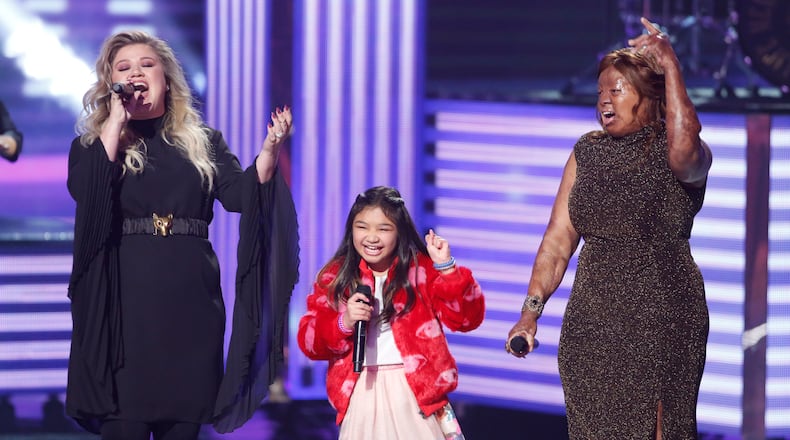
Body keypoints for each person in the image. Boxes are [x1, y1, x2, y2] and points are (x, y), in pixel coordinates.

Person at [65, 30, 299, 439]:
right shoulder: (92, 146)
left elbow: (243, 197)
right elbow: (87, 194)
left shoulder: (203, 142)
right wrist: (115, 124)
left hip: (191, 302)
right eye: (124, 68)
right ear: (111, 83)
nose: (136, 72)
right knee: (125, 422)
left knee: (183, 425)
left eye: (146, 64)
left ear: (166, 78)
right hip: (126, 306)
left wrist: (269, 152)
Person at [506, 17, 712, 440]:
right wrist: (530, 314)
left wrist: (671, 66)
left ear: (651, 96)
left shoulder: (678, 154)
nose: (604, 100)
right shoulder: (587, 151)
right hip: (592, 322)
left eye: (616, 90)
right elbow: (558, 241)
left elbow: (686, 143)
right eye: (600, 91)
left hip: (662, 316)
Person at [297, 186, 485, 440]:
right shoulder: (335, 276)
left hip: (415, 394)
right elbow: (310, 342)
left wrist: (447, 269)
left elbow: (466, 319)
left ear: (399, 232)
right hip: (361, 392)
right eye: (362, 227)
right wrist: (345, 321)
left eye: (383, 229)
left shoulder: (421, 271)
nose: (371, 237)